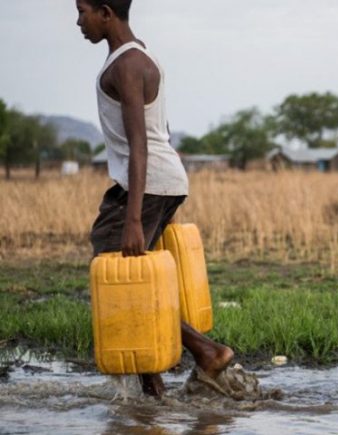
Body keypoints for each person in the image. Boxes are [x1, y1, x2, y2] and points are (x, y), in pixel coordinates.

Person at [77, 0, 234, 397]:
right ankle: (152, 388)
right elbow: (162, 128)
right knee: (130, 275)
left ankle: (206, 353)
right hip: (161, 182)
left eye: (83, 11)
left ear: (107, 12)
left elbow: (139, 142)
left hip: (146, 184)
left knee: (119, 272)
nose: (78, 21)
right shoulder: (141, 54)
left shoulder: (126, 66)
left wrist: (133, 219)